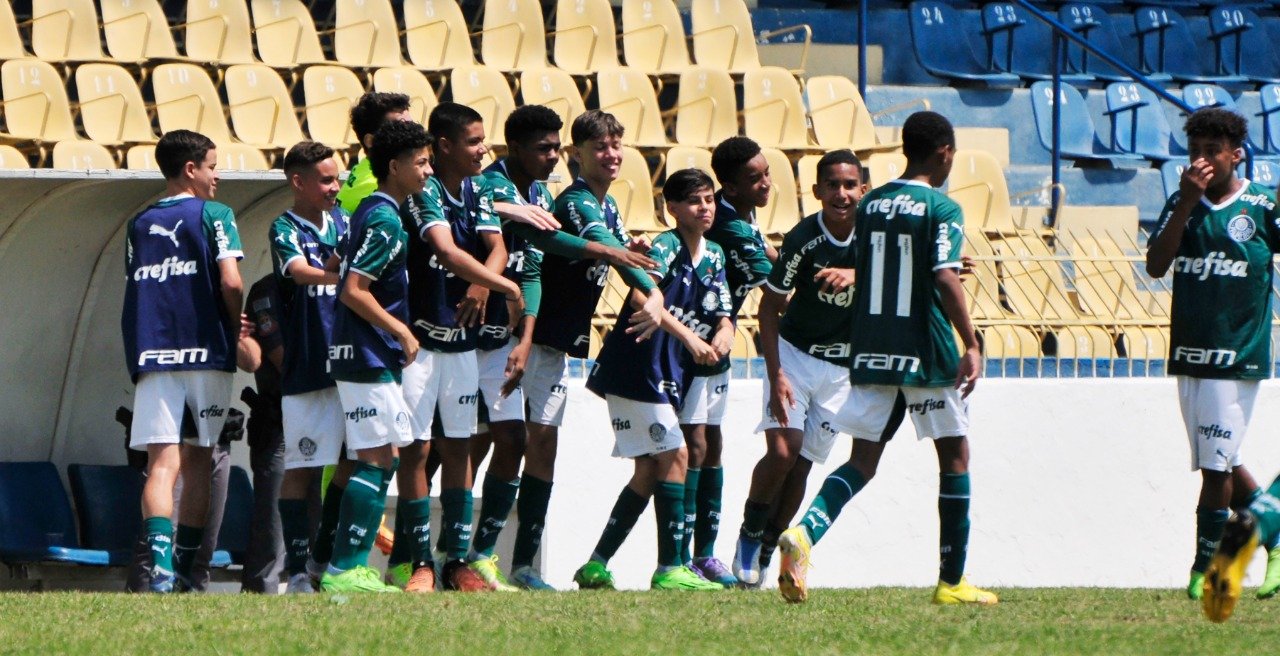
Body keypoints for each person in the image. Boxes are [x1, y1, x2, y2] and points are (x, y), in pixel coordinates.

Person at [774, 111, 997, 606]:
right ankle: (952, 581)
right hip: (925, 350)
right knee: (954, 458)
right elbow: (943, 276)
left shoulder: (872, 204)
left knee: (862, 461)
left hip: (873, 349)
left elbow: (882, 265)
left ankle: (804, 533)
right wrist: (972, 342)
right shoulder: (942, 206)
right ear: (945, 153)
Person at [470, 104, 660, 590]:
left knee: (540, 445)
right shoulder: (563, 198)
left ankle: (521, 565)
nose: (612, 155)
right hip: (502, 338)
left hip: (547, 339)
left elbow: (572, 258)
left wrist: (640, 275)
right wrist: (634, 273)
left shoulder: (552, 194)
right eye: (600, 147)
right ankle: (467, 555)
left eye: (617, 145)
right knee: (488, 442)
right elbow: (594, 247)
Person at [1144, 107, 1280, 602]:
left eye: (1212, 151)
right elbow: (1155, 265)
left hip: (1237, 354)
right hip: (1189, 351)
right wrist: (1185, 203)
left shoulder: (1262, 206)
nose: (1201, 160)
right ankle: (1276, 535)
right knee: (1221, 457)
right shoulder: (1182, 202)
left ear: (1236, 155)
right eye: (1194, 151)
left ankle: (1207, 568)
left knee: (1215, 469)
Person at [573, 168, 729, 591]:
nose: (705, 207)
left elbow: (723, 312)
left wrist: (725, 333)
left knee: (647, 470)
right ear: (671, 208)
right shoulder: (665, 246)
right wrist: (690, 338)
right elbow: (643, 297)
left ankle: (595, 564)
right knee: (677, 455)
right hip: (637, 369)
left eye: (709, 199)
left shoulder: (714, 253)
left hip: (666, 375)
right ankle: (669, 568)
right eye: (694, 201)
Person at [394, 102, 525, 593]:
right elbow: (446, 251)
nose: (484, 149)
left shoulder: (480, 188)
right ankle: (418, 563)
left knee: (459, 447)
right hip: (421, 345)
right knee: (417, 449)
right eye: (474, 141)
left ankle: (455, 561)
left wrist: (482, 284)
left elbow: (498, 246)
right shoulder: (425, 192)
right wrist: (504, 286)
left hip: (464, 346)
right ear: (444, 146)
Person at [738, 150, 873, 588]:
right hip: (795, 356)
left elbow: (901, 273)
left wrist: (857, 275)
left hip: (842, 370)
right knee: (783, 452)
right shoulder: (803, 239)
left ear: (863, 190)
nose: (841, 193)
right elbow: (769, 307)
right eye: (832, 185)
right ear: (816, 191)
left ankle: (770, 548)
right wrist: (775, 372)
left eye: (849, 185)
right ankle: (749, 535)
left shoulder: (876, 236)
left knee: (803, 466)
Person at [122, 129, 244, 593]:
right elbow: (231, 282)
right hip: (206, 353)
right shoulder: (216, 214)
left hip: (153, 355)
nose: (217, 176)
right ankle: (187, 572)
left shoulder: (139, 223)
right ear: (191, 169)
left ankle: (159, 570)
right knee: (199, 461)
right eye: (212, 166)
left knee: (161, 464)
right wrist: (233, 325)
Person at [321, 119, 430, 593]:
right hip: (366, 353)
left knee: (382, 456)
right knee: (376, 458)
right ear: (394, 166)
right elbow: (352, 289)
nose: (428, 171)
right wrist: (401, 329)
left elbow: (335, 265)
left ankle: (347, 567)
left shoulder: (369, 209)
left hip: (364, 353)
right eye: (421, 162)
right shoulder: (385, 218)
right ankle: (344, 569)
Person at [268, 140, 349, 593]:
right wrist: (346, 278)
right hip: (308, 364)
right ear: (298, 182)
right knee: (302, 466)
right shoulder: (284, 226)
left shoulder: (345, 220)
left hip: (351, 361)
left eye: (337, 179)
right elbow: (299, 272)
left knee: (358, 460)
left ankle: (322, 558)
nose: (335, 187)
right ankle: (297, 570)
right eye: (326, 180)